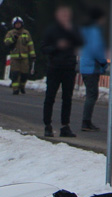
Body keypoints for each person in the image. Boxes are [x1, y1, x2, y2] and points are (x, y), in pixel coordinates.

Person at [41, 5, 83, 137]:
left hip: (69, 68)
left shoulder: (73, 29)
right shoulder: (52, 30)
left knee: (67, 98)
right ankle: (47, 125)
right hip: (55, 68)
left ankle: (65, 126)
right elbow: (43, 48)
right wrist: (56, 47)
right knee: (50, 97)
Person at [80, 7, 108, 132]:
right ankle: (86, 122)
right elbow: (97, 50)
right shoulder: (95, 31)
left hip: (86, 65)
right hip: (92, 67)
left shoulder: (85, 30)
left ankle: (87, 121)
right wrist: (103, 62)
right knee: (92, 95)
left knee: (91, 94)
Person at [5, 17, 36, 96]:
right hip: (15, 58)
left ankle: (22, 86)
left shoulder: (26, 33)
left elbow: (30, 44)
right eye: (16, 24)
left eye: (19, 24)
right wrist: (13, 39)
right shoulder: (10, 33)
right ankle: (15, 89)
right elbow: (6, 42)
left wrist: (33, 55)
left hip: (24, 58)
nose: (18, 25)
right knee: (15, 74)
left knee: (24, 74)